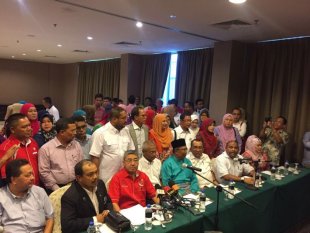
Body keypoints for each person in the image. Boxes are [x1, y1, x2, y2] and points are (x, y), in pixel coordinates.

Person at [0, 159, 53, 233]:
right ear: (13, 180)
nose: (32, 178)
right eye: (27, 175)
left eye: (32, 174)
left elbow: (50, 218)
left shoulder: (39, 192)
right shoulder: (1, 197)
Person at [61, 160, 112, 233]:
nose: (95, 177)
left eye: (96, 172)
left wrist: (108, 211)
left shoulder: (100, 184)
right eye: (90, 174)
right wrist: (94, 219)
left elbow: (108, 202)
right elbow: (67, 225)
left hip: (104, 228)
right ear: (79, 178)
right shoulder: (69, 197)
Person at [90, 107, 135, 183]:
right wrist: (95, 176)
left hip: (124, 176)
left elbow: (131, 151)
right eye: (123, 118)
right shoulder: (100, 133)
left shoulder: (126, 131)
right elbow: (95, 157)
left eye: (126, 117)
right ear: (114, 119)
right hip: (106, 177)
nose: (126, 120)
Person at [38, 118, 84, 193]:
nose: (75, 133)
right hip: (55, 188)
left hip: (75, 186)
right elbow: (44, 172)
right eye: (72, 130)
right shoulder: (46, 149)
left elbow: (81, 165)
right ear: (62, 132)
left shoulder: (76, 145)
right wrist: (57, 189)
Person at [0, 113, 40, 186]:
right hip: (18, 191)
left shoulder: (33, 142)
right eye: (24, 127)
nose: (29, 129)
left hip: (36, 188)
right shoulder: (5, 147)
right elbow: (5, 177)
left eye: (29, 125)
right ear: (12, 129)